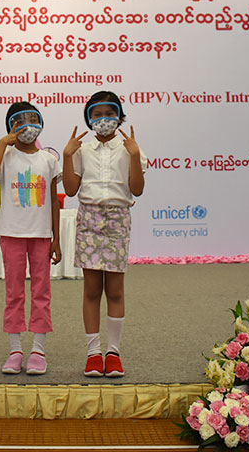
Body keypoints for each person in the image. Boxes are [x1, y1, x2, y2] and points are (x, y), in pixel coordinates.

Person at [62, 91, 146, 378]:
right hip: (89, 218)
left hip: (117, 219)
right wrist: (66, 154)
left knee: (115, 290)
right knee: (91, 290)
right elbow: (71, 190)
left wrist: (134, 155)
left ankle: (113, 353)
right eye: (96, 115)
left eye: (109, 114)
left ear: (119, 116)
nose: (103, 120)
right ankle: (93, 353)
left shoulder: (130, 149)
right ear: (88, 118)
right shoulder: (82, 151)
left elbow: (137, 189)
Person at [0, 102, 61, 376]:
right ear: (11, 127)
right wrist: (2, 143)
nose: (27, 124)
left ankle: (38, 349)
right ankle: (15, 350)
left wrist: (56, 238)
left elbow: (53, 200)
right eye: (19, 121)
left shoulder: (48, 159)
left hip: (41, 236)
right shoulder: (5, 156)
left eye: (33, 119)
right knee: (13, 293)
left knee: (41, 293)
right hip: (12, 234)